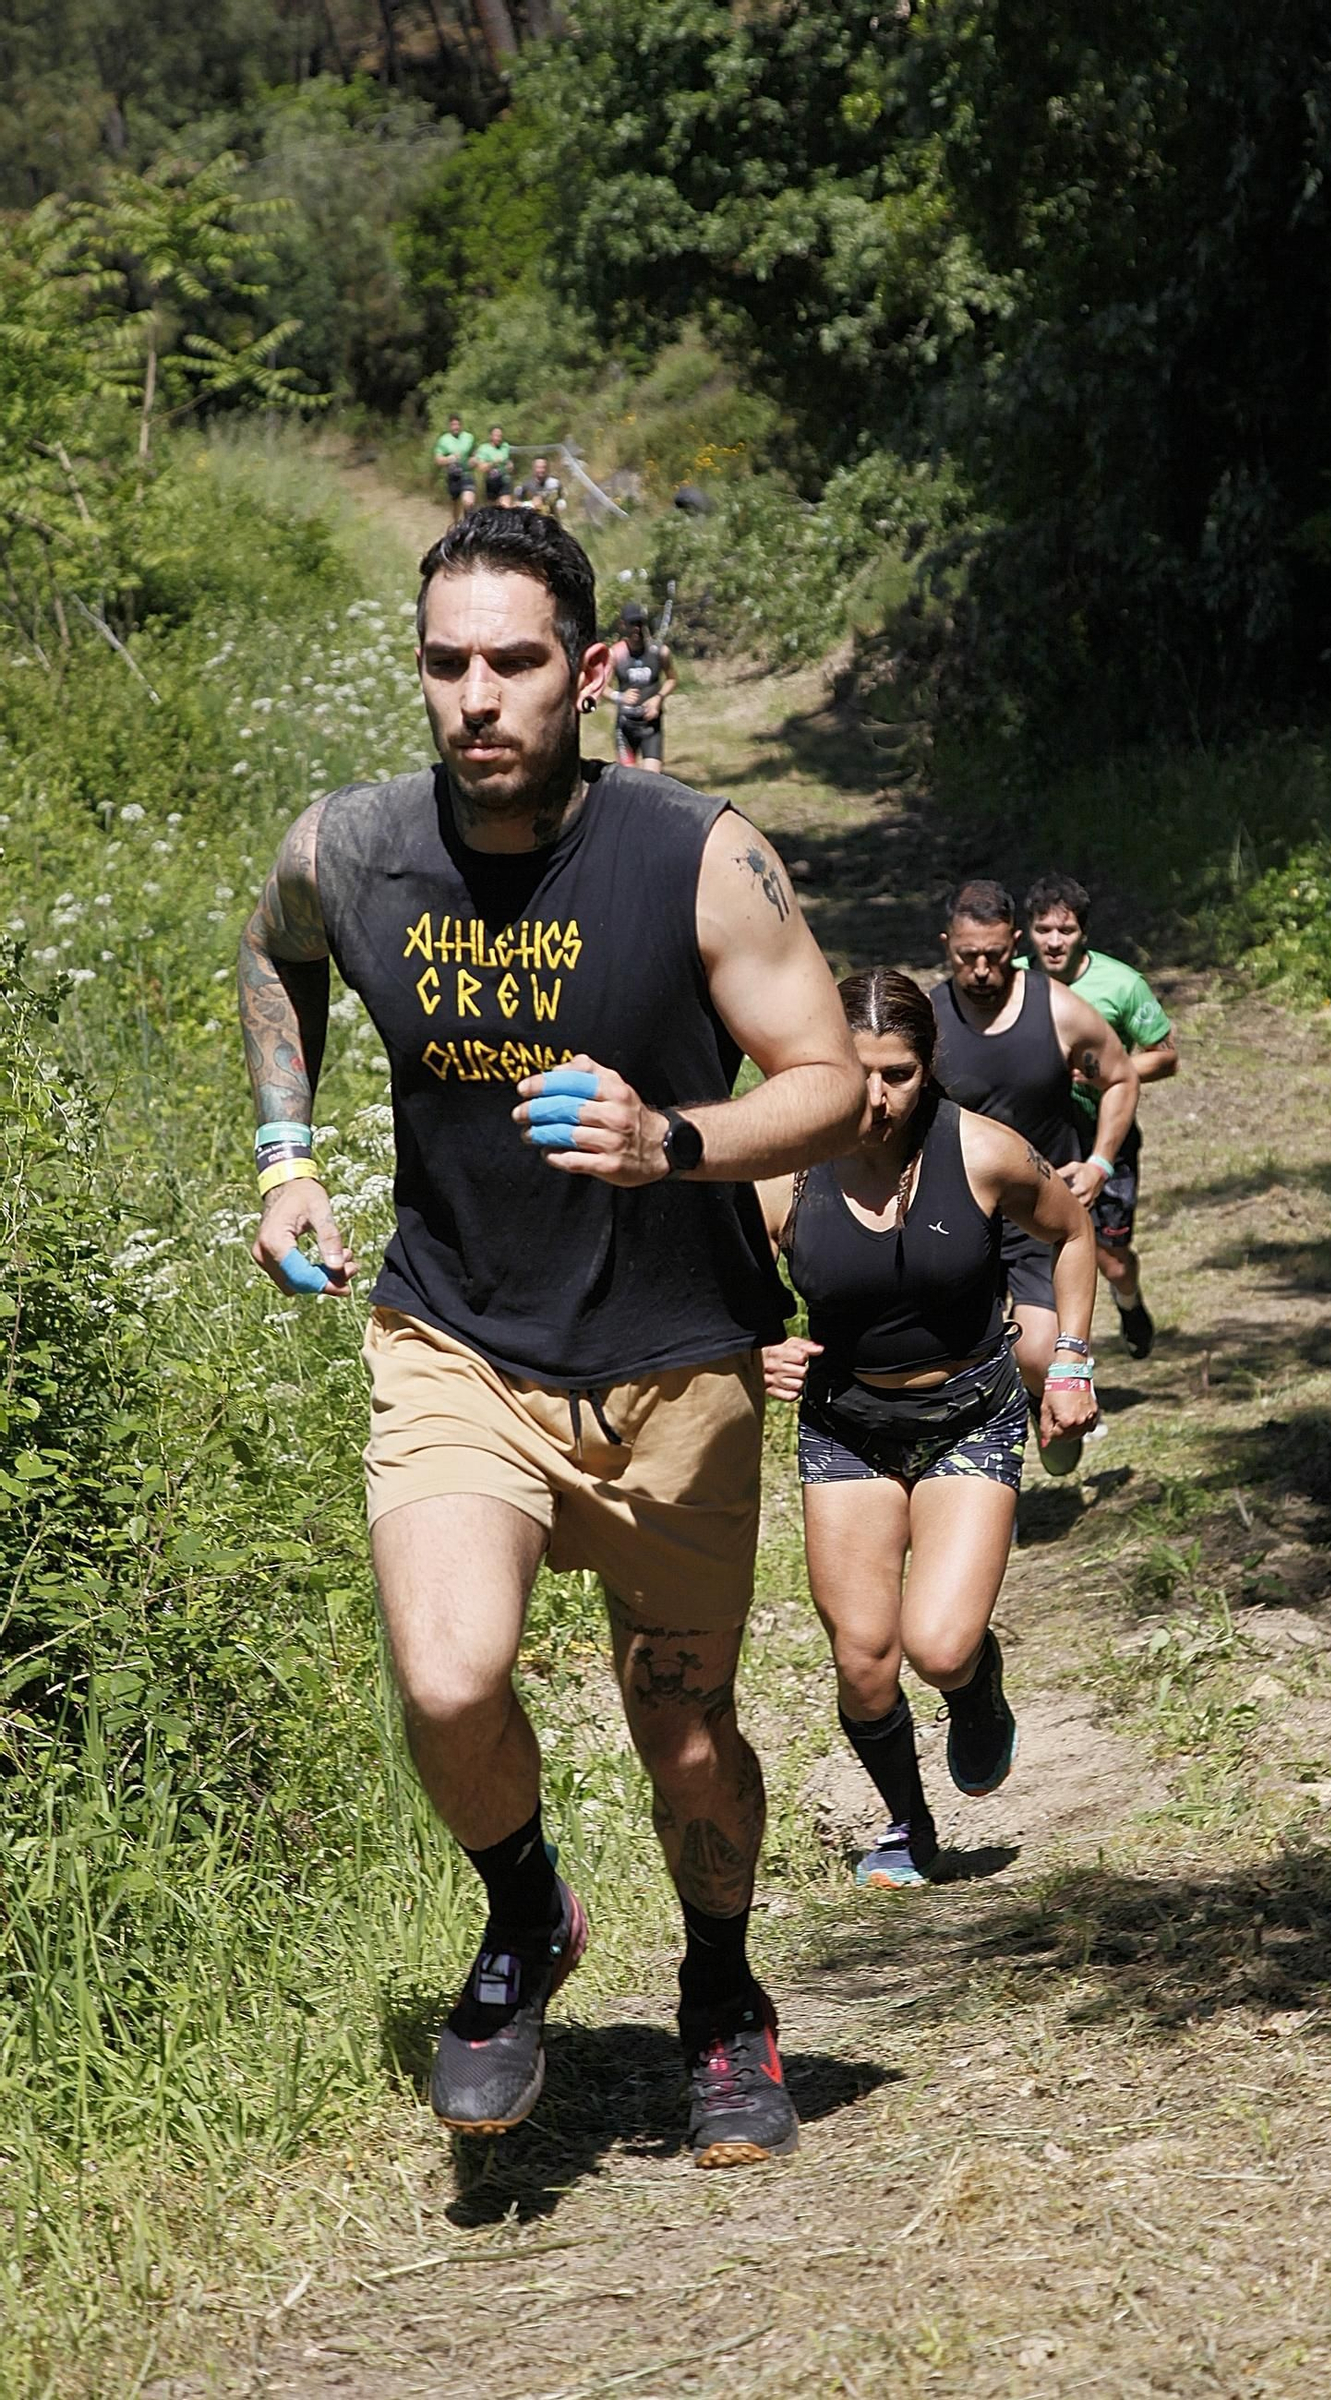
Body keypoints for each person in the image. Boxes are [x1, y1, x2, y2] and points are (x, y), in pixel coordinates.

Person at [237, 507, 862, 2169]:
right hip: (458, 1342)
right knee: (447, 1678)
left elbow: (827, 1082)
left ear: (584, 673)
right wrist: (284, 1158)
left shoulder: (694, 856)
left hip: (677, 1359)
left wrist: (675, 1142)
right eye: (448, 663)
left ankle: (723, 1995)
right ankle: (529, 1918)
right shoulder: (355, 848)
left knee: (684, 1731)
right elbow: (273, 948)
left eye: (515, 661)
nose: (478, 696)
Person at [758, 972, 1098, 1889]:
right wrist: (757, 1349)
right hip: (846, 1423)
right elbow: (714, 1289)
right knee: (865, 1664)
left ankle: (975, 1682)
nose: (877, 1098)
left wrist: (1069, 1357)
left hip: (969, 1415)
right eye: (859, 1073)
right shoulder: (785, 1170)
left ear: (928, 1065)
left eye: (899, 1074)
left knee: (937, 1645)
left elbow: (1071, 1232)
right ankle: (910, 1826)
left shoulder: (981, 1151)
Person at [930, 879, 1137, 1463]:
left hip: (1034, 1214)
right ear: (947, 945)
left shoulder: (1058, 1009)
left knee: (1039, 1353)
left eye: (993, 955)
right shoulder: (929, 1018)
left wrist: (1099, 1163)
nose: (979, 970)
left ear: (1013, 943)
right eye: (966, 956)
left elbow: (1121, 1076)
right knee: (951, 1364)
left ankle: (1043, 1395)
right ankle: (980, 1475)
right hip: (954, 1213)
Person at [1024, 872, 1178, 1358]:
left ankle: (1129, 1302)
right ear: (1026, 931)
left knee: (1110, 1260)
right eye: (1043, 929)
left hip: (1105, 1137)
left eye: (1064, 931)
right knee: (1037, 1258)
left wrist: (1109, 1073)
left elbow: (1166, 1055)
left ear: (1083, 933)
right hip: (1034, 1138)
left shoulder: (1120, 983)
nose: (1053, 941)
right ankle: (1060, 1367)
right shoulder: (1010, 978)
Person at [606, 598, 677, 772]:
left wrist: (658, 699)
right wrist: (620, 697)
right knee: (629, 779)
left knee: (652, 780)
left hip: (650, 726)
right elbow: (603, 688)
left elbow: (672, 679)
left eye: (640, 623)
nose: (636, 629)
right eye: (632, 624)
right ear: (623, 625)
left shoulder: (659, 652)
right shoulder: (615, 654)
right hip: (625, 726)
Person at [433, 414, 475, 522]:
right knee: (455, 503)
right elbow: (438, 460)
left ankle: (468, 525)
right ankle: (456, 524)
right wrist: (450, 459)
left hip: (467, 474)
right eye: (453, 425)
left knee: (468, 502)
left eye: (458, 424)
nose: (456, 427)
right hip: (453, 476)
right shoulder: (443, 440)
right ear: (449, 426)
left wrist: (474, 459)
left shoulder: (469, 437)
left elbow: (475, 453)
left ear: (461, 425)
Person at [473, 423, 514, 508]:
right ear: (491, 436)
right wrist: (493, 463)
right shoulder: (484, 448)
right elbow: (481, 468)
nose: (498, 438)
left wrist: (510, 465)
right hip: (491, 481)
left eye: (500, 436)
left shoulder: (505, 446)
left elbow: (508, 461)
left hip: (504, 480)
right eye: (496, 436)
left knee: (506, 506)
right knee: (493, 509)